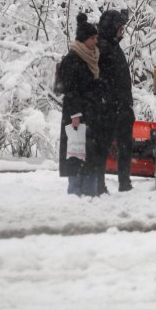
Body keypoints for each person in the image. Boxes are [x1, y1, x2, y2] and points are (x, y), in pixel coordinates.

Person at [58, 14, 105, 197]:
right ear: (84, 40)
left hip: (90, 116)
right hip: (78, 119)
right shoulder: (73, 59)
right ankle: (77, 196)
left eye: (95, 38)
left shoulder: (90, 58)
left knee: (88, 158)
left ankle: (89, 195)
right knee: (77, 157)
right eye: (92, 38)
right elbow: (71, 91)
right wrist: (76, 115)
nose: (95, 42)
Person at [98, 9, 134, 192]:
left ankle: (124, 182)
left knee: (125, 145)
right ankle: (100, 183)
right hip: (112, 108)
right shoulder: (103, 49)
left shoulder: (112, 46)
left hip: (121, 107)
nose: (123, 32)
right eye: (120, 28)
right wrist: (110, 101)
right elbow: (101, 80)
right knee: (104, 146)